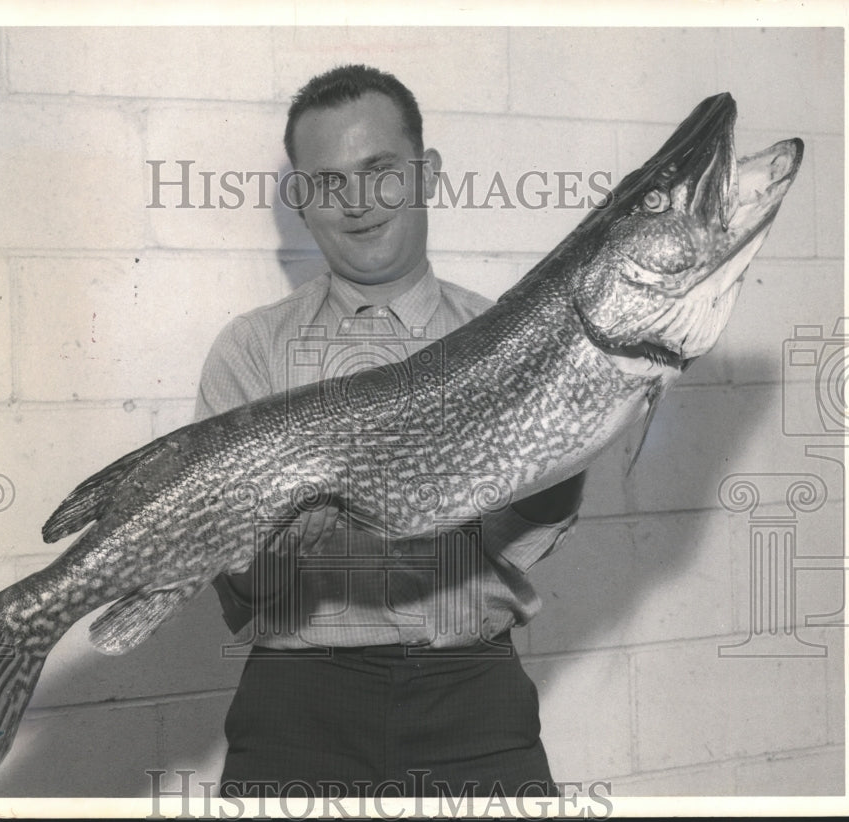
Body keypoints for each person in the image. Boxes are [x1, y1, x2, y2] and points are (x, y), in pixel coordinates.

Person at [194, 64, 585, 799]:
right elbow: (239, 577)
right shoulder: (250, 350)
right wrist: (267, 544)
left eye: (379, 171)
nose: (358, 202)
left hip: (474, 696)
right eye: (328, 182)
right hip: (297, 704)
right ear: (303, 203)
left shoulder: (511, 334)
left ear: (426, 174)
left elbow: (532, 530)